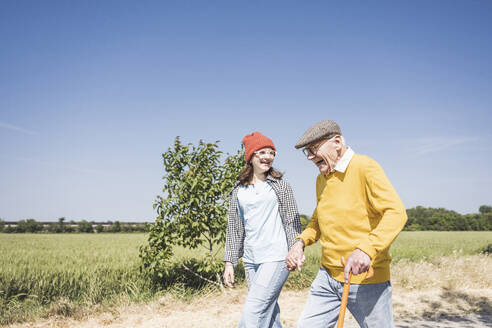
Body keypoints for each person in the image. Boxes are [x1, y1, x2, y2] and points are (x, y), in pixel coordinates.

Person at [286, 120, 407, 328]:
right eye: (306, 151)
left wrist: (366, 250)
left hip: (366, 280)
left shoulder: (365, 167)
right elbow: (318, 219)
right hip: (327, 277)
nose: (309, 157)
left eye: (314, 149)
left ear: (337, 141)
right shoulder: (321, 179)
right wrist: (300, 242)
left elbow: (396, 213)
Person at [224, 131, 302, 328]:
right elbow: (234, 227)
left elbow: (292, 221)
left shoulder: (280, 186)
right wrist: (229, 262)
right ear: (250, 156)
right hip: (251, 260)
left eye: (271, 153)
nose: (268, 157)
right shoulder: (238, 190)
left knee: (253, 313)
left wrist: (296, 248)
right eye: (262, 152)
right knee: (269, 313)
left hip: (276, 257)